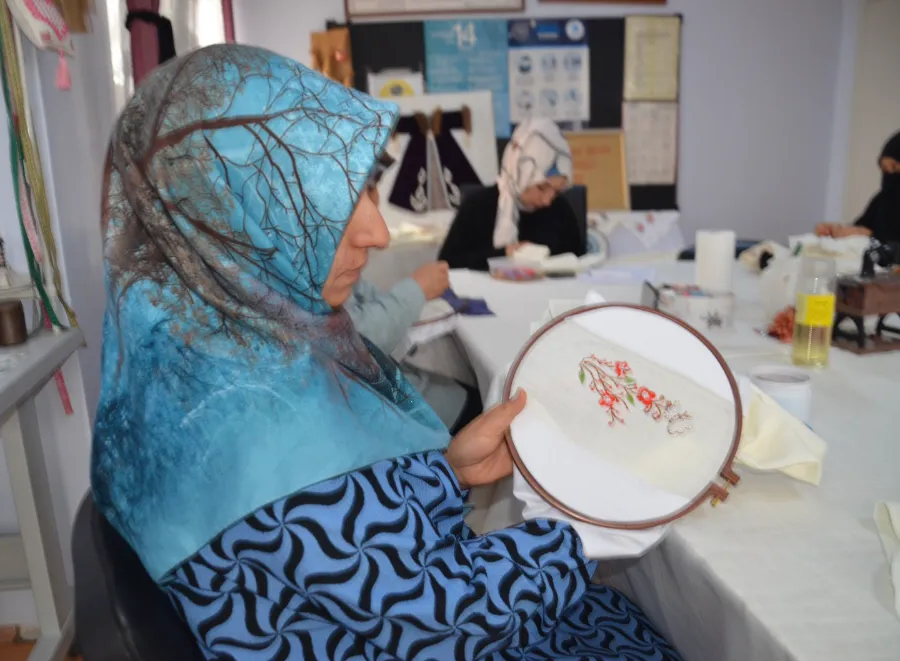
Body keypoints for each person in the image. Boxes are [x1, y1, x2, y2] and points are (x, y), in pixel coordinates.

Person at [92, 44, 681, 661]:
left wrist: (448, 471)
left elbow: (342, 549)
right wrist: (586, 526)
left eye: (367, 191)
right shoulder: (258, 423)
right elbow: (451, 620)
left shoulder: (207, 359)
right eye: (329, 205)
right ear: (228, 217)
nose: (377, 233)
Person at [346, 153, 481, 431]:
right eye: (367, 189)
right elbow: (356, 340)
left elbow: (362, 303)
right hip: (394, 410)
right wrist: (416, 288)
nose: (380, 238)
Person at [438, 118, 586, 271]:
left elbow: (579, 263)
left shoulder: (560, 209)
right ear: (518, 172)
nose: (547, 201)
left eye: (556, 191)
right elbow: (447, 264)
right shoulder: (478, 206)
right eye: (541, 188)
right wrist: (504, 254)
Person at [816, 131, 900, 244]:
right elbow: (860, 229)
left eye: (894, 167)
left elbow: (872, 237)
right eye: (884, 169)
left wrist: (871, 237)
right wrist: (836, 232)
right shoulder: (882, 199)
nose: (889, 174)